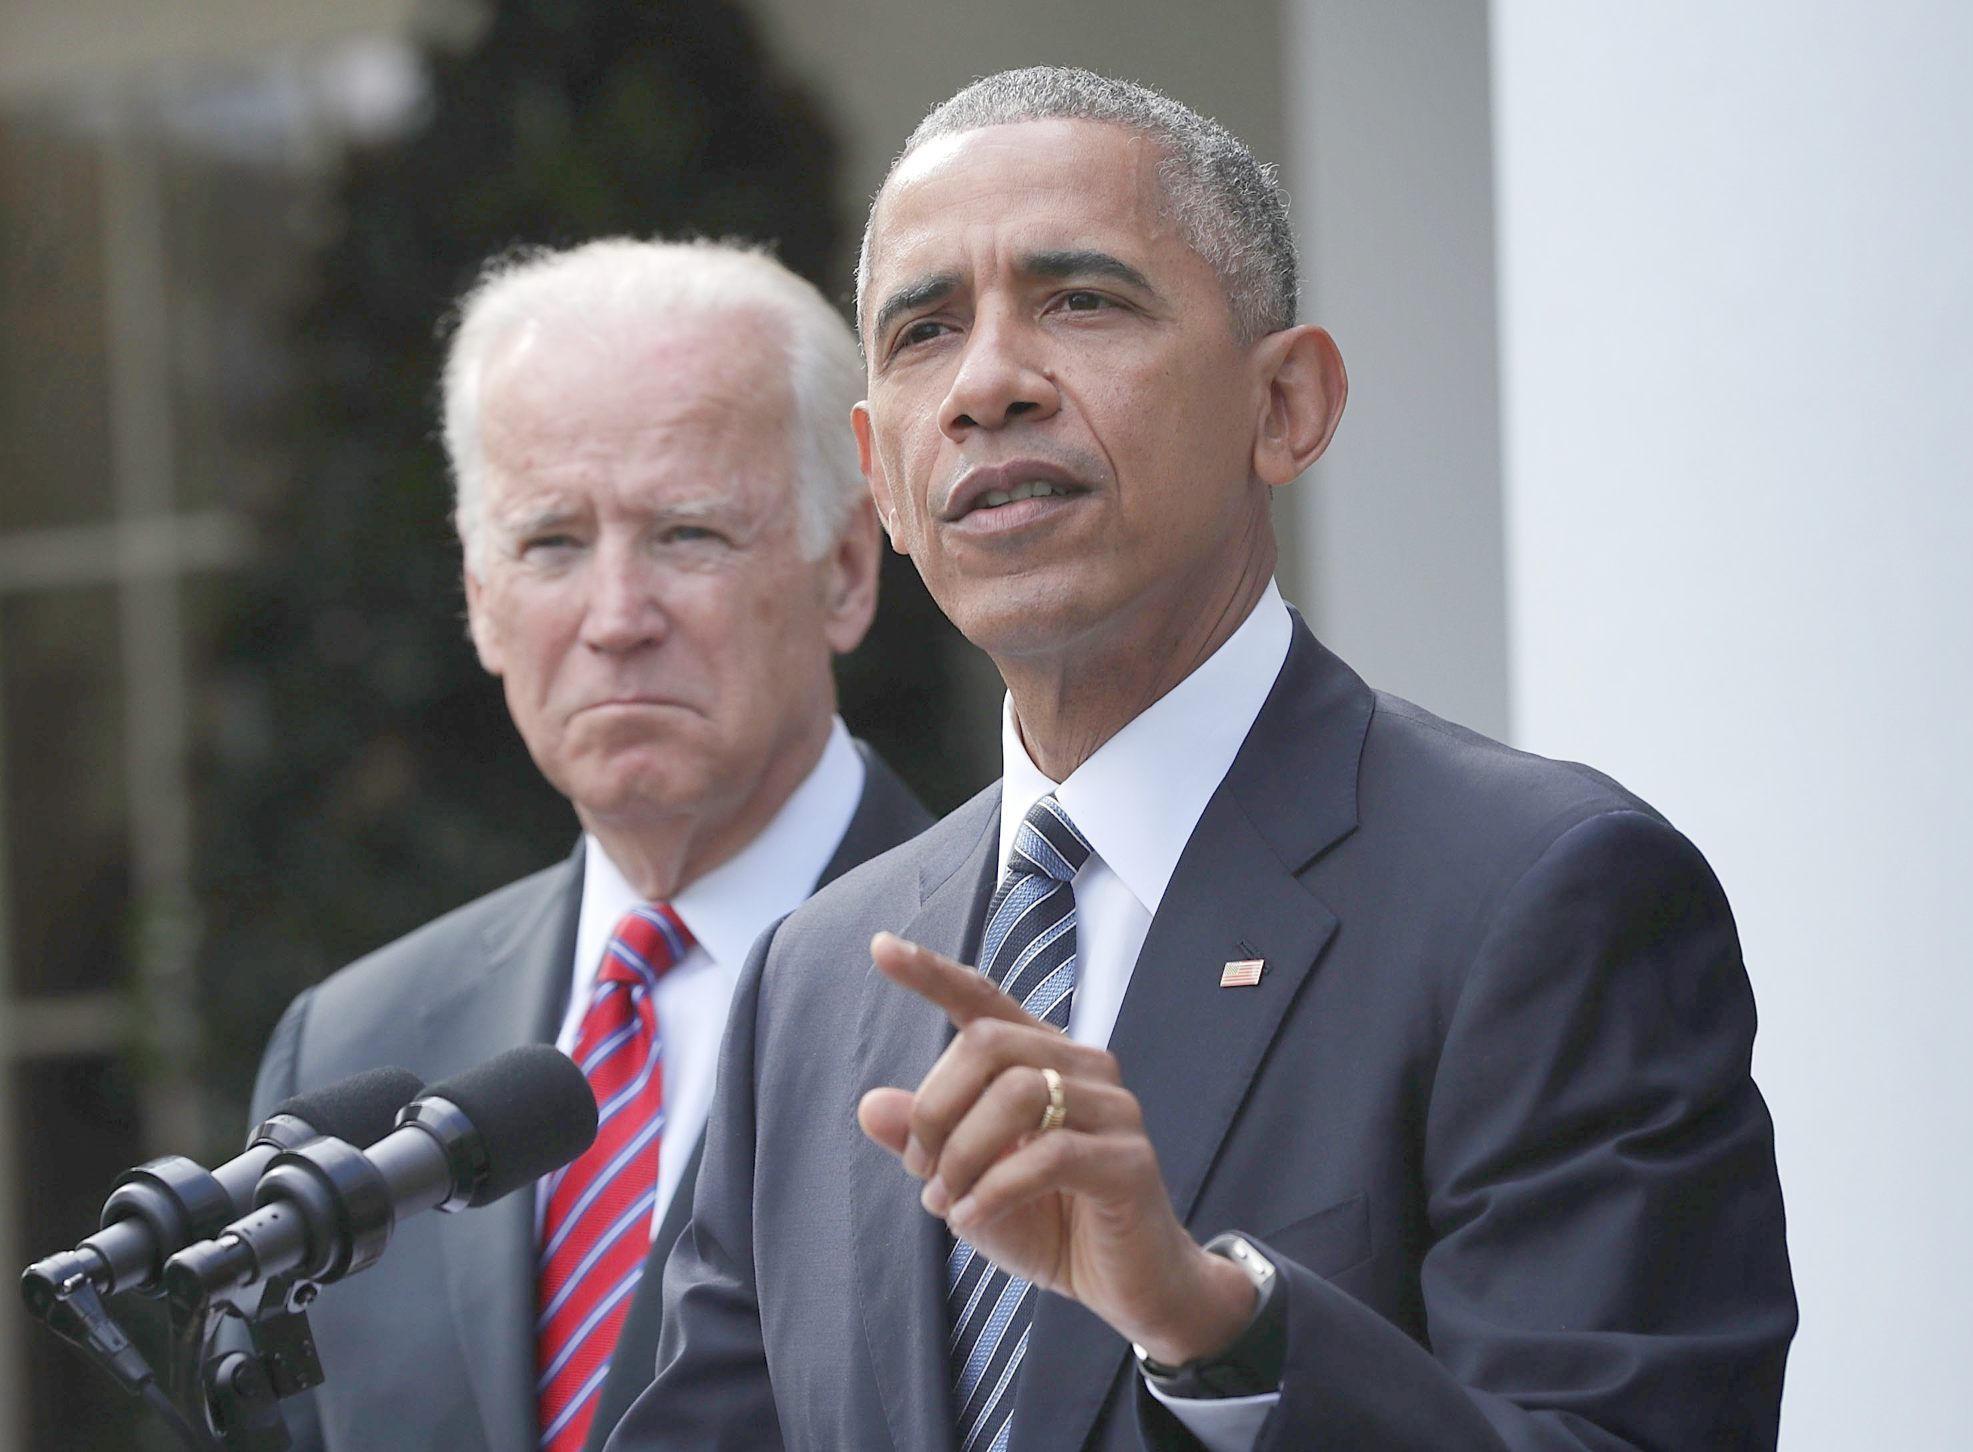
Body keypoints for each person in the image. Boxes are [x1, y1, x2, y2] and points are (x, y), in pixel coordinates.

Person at [606, 68, 1797, 1452]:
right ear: (881, 478)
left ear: (1286, 404)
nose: (986, 385)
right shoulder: (816, 982)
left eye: (1080, 301)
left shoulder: (1542, 896)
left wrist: (1223, 1329)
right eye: (925, 330)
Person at [247, 238, 934, 1452]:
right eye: (551, 543)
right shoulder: (353, 1044)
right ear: (479, 599)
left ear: (843, 571)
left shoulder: (1012, 982)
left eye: (687, 533)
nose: (617, 618)